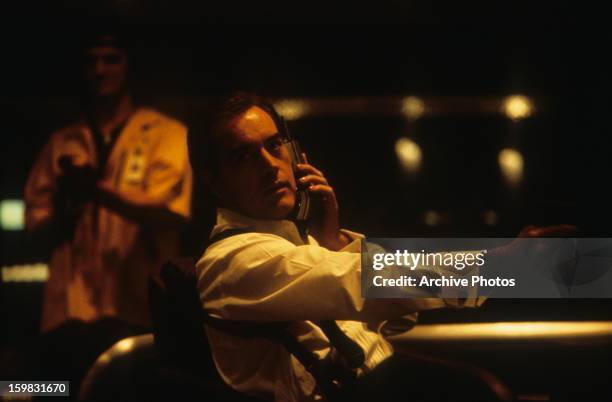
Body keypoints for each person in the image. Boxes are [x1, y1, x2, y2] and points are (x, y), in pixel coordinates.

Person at [188, 92, 540, 402]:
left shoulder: (292, 243)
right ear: (213, 183)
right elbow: (363, 283)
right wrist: (499, 267)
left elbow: (397, 319)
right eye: (243, 157)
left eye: (274, 145)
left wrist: (332, 240)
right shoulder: (234, 260)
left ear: (295, 155)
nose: (269, 165)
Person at [24, 30, 193, 333]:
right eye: (92, 61)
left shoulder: (166, 134)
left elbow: (167, 210)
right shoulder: (62, 143)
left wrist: (94, 190)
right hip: (70, 310)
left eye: (111, 60)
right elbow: (35, 227)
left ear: (130, 66)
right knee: (60, 382)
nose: (100, 70)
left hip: (140, 309)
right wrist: (65, 210)